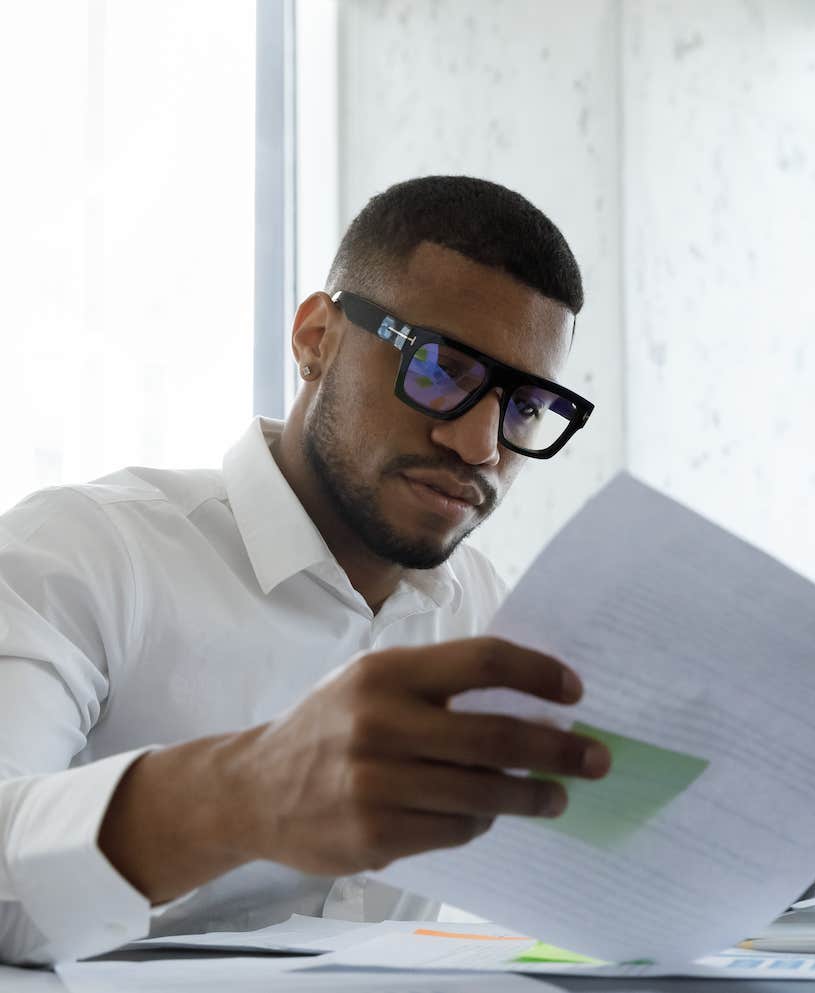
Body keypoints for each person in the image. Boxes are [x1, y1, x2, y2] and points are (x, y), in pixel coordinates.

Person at [0, 175, 614, 967]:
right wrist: (246, 793)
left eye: (525, 406)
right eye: (439, 370)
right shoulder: (83, 552)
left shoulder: (493, 613)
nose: (479, 446)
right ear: (316, 338)